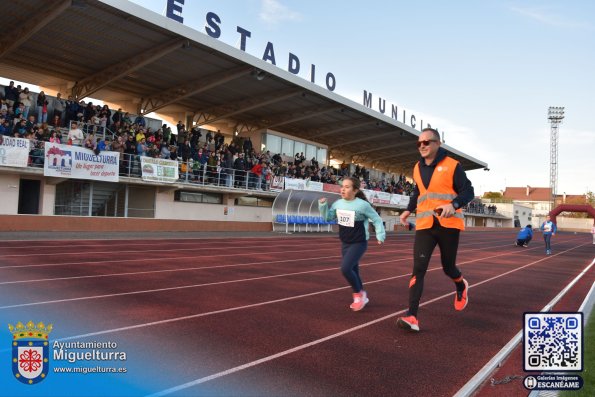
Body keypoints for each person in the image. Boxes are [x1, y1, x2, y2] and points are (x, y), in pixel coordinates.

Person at [397, 128, 474, 332]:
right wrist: (408, 210)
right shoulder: (416, 167)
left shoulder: (452, 165)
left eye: (427, 142)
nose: (422, 145)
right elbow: (418, 191)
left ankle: (460, 285)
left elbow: (469, 191)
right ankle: (412, 316)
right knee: (418, 268)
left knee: (448, 268)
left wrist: (454, 204)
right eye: (419, 143)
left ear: (438, 144)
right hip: (424, 225)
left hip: (448, 225)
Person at [318, 176, 385, 312]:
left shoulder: (362, 205)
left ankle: (358, 294)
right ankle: (362, 295)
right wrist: (323, 206)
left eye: (347, 187)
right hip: (345, 242)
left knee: (345, 268)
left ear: (355, 190)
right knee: (353, 270)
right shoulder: (338, 204)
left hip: (359, 242)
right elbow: (328, 217)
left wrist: (380, 235)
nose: (343, 189)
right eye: (342, 186)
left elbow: (377, 219)